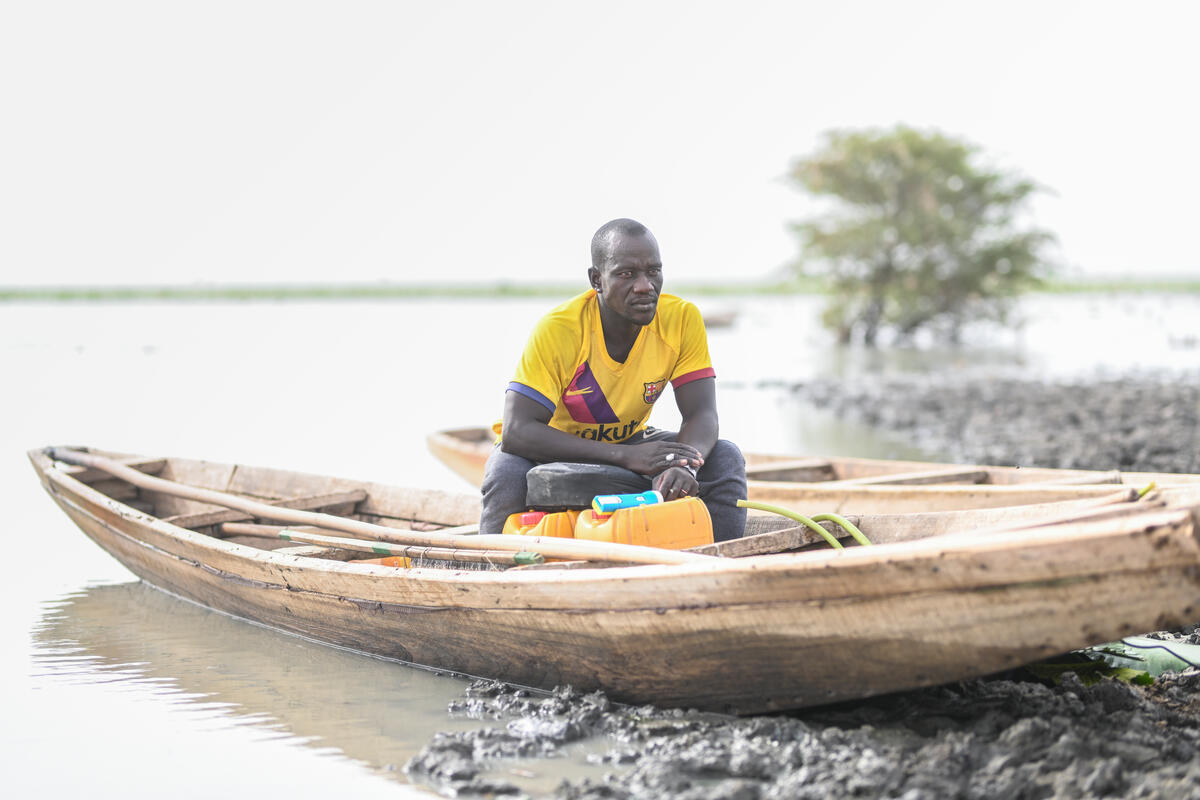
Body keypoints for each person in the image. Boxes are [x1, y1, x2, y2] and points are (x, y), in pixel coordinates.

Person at [480, 218, 747, 540]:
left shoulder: (681, 319)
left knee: (724, 456)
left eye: (653, 271)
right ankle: (492, 566)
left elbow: (701, 414)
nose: (645, 285)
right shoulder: (560, 329)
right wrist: (628, 457)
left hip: (628, 441)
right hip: (551, 445)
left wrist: (684, 466)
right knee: (505, 472)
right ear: (597, 280)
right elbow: (517, 431)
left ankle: (720, 562)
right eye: (626, 274)